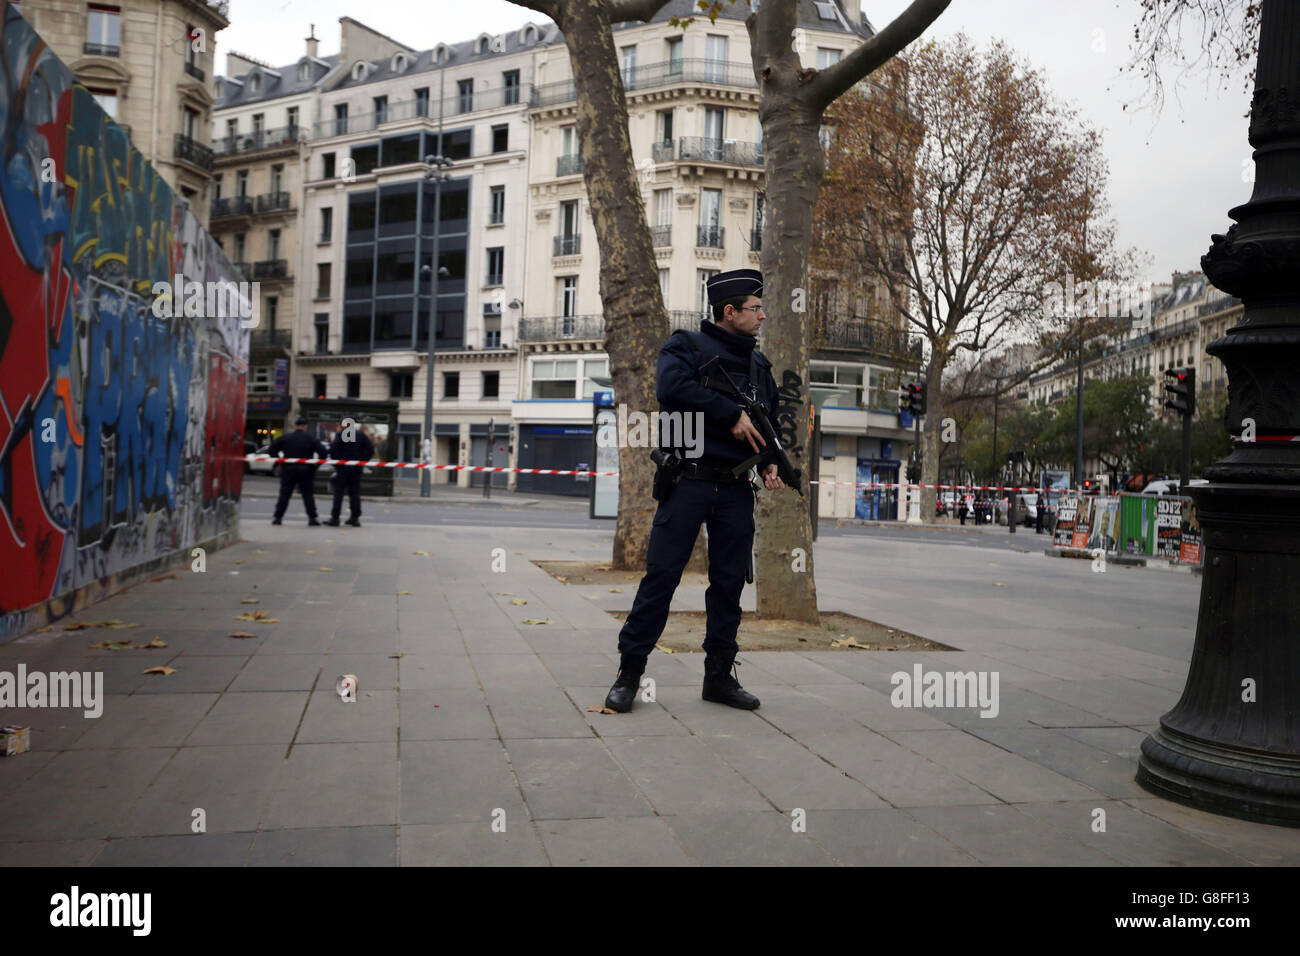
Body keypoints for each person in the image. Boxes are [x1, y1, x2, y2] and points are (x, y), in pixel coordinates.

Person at [604, 268, 786, 714]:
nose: (763, 315)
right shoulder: (683, 346)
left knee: (727, 585)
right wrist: (728, 414)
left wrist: (772, 465)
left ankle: (719, 677)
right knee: (661, 577)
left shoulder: (759, 367)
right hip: (688, 480)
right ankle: (629, 674)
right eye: (755, 308)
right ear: (730, 312)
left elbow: (770, 423)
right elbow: (672, 388)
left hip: (735, 488)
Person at [268, 417, 330, 526]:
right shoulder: (310, 438)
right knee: (308, 496)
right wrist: (315, 465)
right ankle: (312, 518)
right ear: (305, 427)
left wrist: (280, 462)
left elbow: (272, 449)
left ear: (295, 426)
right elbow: (323, 453)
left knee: (284, 495)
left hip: (288, 470)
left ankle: (278, 517)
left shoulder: (286, 437)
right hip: (306, 470)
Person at [325, 421, 375, 527]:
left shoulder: (340, 435)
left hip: (342, 469)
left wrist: (338, 464)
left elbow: (333, 450)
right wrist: (361, 461)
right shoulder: (361, 435)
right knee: (355, 494)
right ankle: (354, 518)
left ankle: (335, 518)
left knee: (338, 493)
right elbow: (370, 449)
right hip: (356, 469)